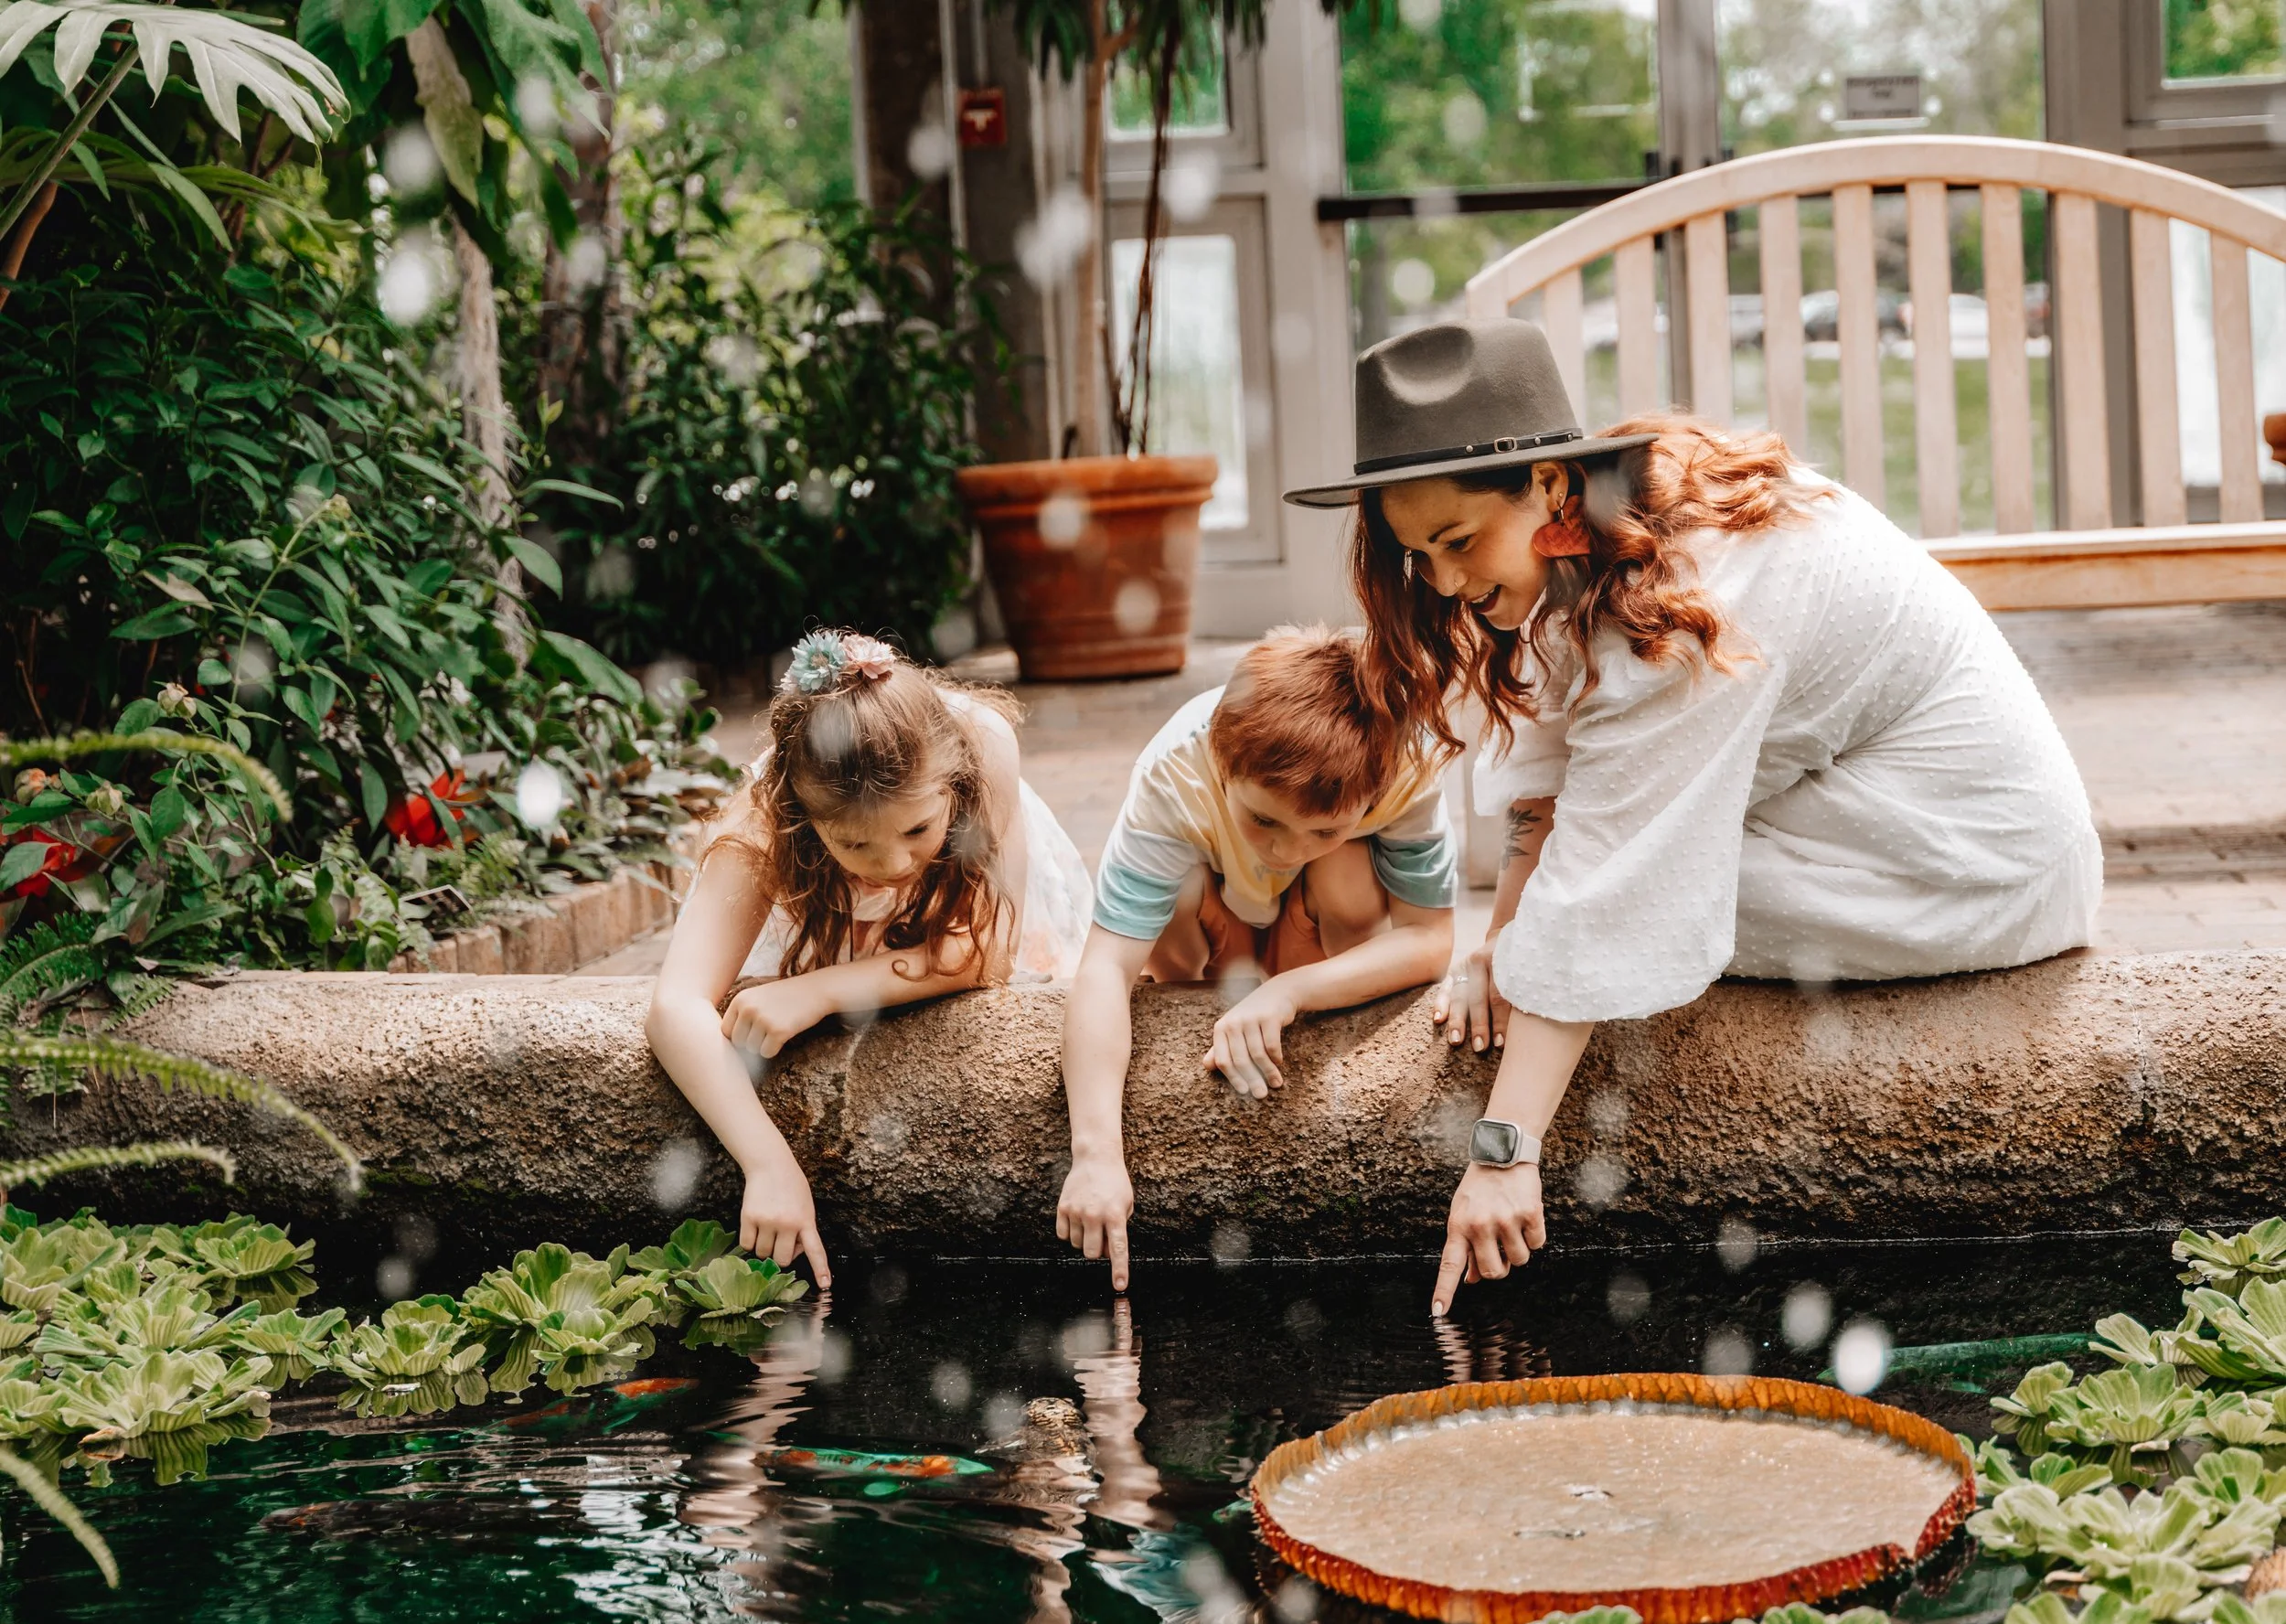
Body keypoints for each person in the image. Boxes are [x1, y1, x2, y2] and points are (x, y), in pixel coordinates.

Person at [1284, 320, 2101, 1317]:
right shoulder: (1613, 526)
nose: (1445, 582)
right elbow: (1565, 785)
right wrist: (1496, 947)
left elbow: (1605, 879)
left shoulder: (1682, 604)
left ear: (1547, 486)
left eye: (1457, 541)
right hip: (1872, 816)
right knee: (1581, 909)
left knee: (1630, 898)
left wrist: (1503, 1152)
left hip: (1972, 863)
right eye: (1420, 554)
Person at [647, 630, 1094, 1287]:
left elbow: (988, 951)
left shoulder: (980, 747)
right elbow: (673, 1007)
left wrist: (822, 991)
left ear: (953, 786)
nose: (892, 866)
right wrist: (767, 1161)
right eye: (855, 844)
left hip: (959, 901)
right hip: (833, 910)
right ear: (804, 819)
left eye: (916, 829)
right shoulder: (768, 818)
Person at [1056, 625, 1459, 1288]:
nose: (1285, 849)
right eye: (1264, 820)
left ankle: (1329, 988)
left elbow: (1431, 938)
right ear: (1222, 759)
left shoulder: (1406, 760)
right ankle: (1198, 999)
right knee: (1173, 889)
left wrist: (1291, 990)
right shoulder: (1176, 773)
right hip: (1214, 934)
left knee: (1350, 868)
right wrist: (1095, 1153)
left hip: (1316, 927)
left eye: (1321, 828)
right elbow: (1104, 968)